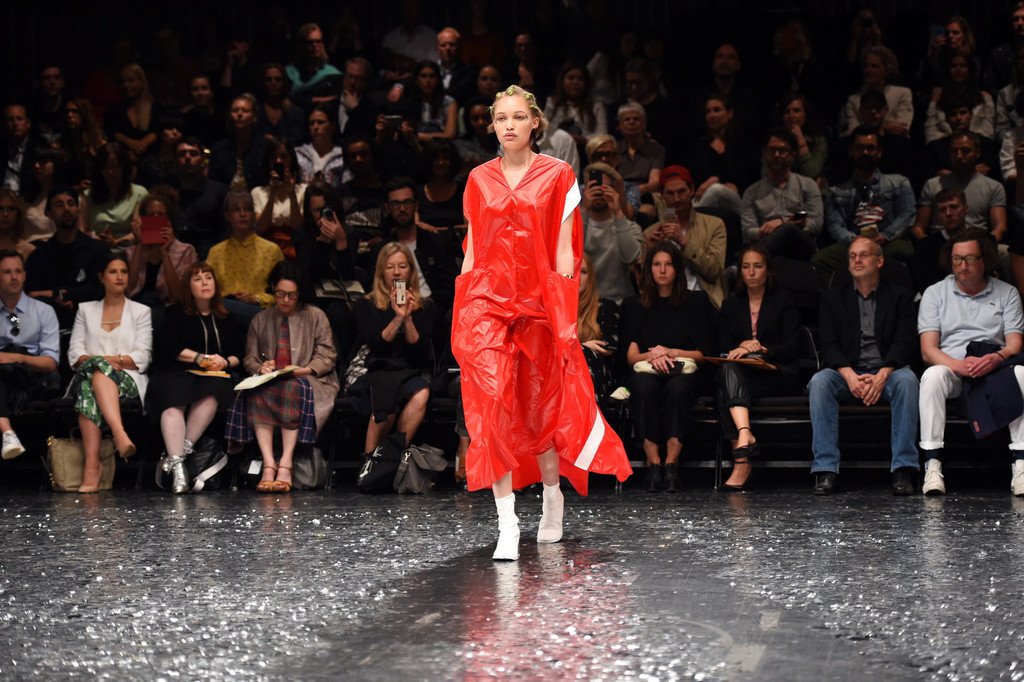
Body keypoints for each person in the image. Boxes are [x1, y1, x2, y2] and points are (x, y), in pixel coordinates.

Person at [452, 85, 630, 560]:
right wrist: (465, 306)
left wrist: (565, 311)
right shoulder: (478, 179)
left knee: (539, 408)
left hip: (538, 304)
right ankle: (506, 521)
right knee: (491, 405)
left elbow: (565, 247)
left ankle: (552, 495)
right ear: (492, 126)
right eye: (500, 118)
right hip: (487, 302)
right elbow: (473, 246)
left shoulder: (558, 174)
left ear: (535, 122)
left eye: (517, 117)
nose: (508, 125)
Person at [807, 237, 919, 495]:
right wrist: (848, 375)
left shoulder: (900, 297)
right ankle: (826, 469)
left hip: (889, 369)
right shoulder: (833, 298)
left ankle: (903, 468)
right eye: (852, 256)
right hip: (847, 370)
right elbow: (828, 344)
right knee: (819, 383)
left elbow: (905, 342)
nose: (857, 260)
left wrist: (883, 373)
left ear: (879, 261)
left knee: (908, 382)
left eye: (864, 255)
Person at [918, 229, 1024, 497]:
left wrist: (995, 358)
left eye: (970, 259)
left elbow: (1014, 345)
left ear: (984, 260)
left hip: (994, 368)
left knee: (1023, 373)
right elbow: (928, 350)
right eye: (957, 259)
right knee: (931, 376)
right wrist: (958, 365)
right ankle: (932, 465)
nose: (962, 266)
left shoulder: (1007, 293)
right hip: (953, 367)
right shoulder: (935, 293)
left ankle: (1021, 464)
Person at [226, 262, 338, 492]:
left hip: (310, 379)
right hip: (271, 380)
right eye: (280, 294)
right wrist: (261, 368)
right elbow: (249, 358)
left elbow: (327, 355)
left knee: (290, 387)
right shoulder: (261, 319)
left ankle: (285, 463)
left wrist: (304, 370)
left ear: (300, 293)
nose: (285, 300)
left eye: (291, 295)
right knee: (258, 389)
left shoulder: (315, 316)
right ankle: (269, 464)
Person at [621, 240, 718, 493]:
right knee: (643, 387)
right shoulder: (634, 305)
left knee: (677, 388)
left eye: (668, 264)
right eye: (656, 264)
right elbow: (631, 357)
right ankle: (654, 464)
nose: (662, 270)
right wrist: (653, 355)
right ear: (649, 269)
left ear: (678, 269)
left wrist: (672, 352)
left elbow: (704, 354)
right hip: (648, 369)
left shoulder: (696, 302)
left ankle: (672, 464)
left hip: (684, 370)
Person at [146, 263, 243, 493]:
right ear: (188, 287)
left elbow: (239, 353)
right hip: (176, 371)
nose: (205, 282)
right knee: (173, 402)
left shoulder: (226, 317)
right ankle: (179, 469)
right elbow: (168, 347)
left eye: (208, 277)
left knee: (214, 393)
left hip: (212, 376)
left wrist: (224, 361)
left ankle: (177, 456)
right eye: (197, 279)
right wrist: (199, 358)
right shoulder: (174, 313)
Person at [716, 246, 802, 490]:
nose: (751, 272)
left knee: (724, 390)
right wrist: (741, 346)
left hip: (774, 373)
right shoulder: (730, 306)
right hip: (742, 375)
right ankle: (745, 438)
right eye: (746, 267)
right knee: (727, 375)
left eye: (757, 266)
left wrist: (763, 349)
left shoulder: (784, 301)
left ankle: (742, 462)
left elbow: (794, 346)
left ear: (768, 271)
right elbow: (721, 347)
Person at [66, 255, 152, 493]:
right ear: (101, 277)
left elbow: (142, 357)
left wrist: (102, 361)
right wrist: (105, 362)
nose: (119, 276)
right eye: (113, 271)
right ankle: (119, 434)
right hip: (86, 376)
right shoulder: (86, 310)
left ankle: (92, 467)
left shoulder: (141, 311)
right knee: (94, 376)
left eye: (124, 271)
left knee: (96, 376)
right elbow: (75, 354)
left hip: (128, 379)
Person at [352, 242, 437, 462]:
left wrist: (407, 318)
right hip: (377, 368)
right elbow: (378, 347)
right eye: (390, 267)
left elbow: (419, 353)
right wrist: (397, 318)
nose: (397, 272)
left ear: (411, 270)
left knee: (421, 392)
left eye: (402, 266)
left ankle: (390, 457)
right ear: (381, 271)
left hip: (409, 370)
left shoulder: (426, 306)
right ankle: (370, 461)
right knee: (387, 389)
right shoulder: (365, 305)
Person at [811, 127, 915, 287]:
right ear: (851, 151)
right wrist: (854, 240)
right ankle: (848, 295)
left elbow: (907, 215)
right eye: (860, 148)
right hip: (854, 242)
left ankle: (890, 295)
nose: (865, 152)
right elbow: (835, 225)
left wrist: (885, 236)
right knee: (820, 261)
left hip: (888, 242)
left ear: (879, 152)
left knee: (904, 251)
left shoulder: (899, 182)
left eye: (870, 148)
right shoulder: (837, 191)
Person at [0, 249, 59, 460]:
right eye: (7, 272)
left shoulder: (43, 311)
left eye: (18, 271)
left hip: (30, 379)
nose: (14, 277)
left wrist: (17, 358)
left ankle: (7, 432)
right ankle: (7, 432)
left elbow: (51, 362)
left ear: (25, 275)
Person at [642, 165, 728, 309]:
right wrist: (650, 254)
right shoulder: (650, 233)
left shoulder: (714, 225)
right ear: (662, 196)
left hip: (704, 302)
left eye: (681, 191)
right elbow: (642, 283)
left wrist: (684, 242)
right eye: (670, 193)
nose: (676, 198)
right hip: (662, 304)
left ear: (692, 190)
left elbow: (714, 271)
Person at [25, 188, 110, 333]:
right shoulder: (38, 256)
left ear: (78, 209)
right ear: (49, 213)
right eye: (59, 205)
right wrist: (58, 299)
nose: (67, 209)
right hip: (50, 326)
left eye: (71, 204)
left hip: (93, 323)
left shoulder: (97, 250)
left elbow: (98, 289)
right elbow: (32, 295)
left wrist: (57, 294)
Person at [371, 176, 457, 310]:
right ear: (387, 208)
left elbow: (451, 287)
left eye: (407, 202)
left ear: (416, 205)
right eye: (396, 204)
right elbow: (376, 290)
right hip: (393, 311)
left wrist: (424, 306)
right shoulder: (381, 250)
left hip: (433, 310)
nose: (402, 209)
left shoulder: (437, 243)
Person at [740, 128, 824, 259]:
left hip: (801, 248)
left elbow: (816, 223)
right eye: (772, 150)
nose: (777, 155)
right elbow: (748, 231)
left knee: (788, 230)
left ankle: (744, 263)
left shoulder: (808, 185)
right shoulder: (752, 192)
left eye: (782, 151)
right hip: (769, 248)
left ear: (793, 154)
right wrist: (770, 231)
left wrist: (783, 224)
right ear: (764, 153)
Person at [205, 189, 285, 327]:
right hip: (223, 318)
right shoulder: (216, 253)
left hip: (259, 314)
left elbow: (284, 294)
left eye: (247, 209)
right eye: (236, 210)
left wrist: (256, 298)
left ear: (253, 214)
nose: (243, 214)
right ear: (227, 215)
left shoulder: (271, 250)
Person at [911, 131, 1007, 244]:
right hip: (939, 244)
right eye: (954, 151)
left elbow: (1000, 227)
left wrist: (984, 245)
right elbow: (918, 227)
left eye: (965, 150)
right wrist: (928, 245)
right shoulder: (932, 184)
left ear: (977, 152)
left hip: (977, 243)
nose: (959, 156)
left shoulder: (993, 187)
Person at [682, 93, 758, 217]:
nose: (711, 115)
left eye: (717, 110)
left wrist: (715, 180)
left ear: (730, 113)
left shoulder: (741, 145)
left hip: (736, 200)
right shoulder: (698, 146)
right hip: (705, 197)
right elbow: (694, 178)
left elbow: (746, 174)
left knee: (717, 189)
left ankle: (686, 220)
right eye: (708, 112)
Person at [125, 192, 197, 320]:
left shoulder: (186, 251)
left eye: (161, 215)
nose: (156, 219)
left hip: (168, 309)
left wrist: (165, 252)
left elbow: (178, 296)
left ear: (169, 220)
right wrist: (139, 244)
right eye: (151, 215)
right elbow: (129, 289)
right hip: (136, 306)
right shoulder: (132, 251)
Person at [580, 162, 642, 304]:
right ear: (584, 190)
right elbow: (573, 255)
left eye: (604, 187)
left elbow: (630, 258)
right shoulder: (574, 226)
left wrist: (618, 212)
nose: (598, 192)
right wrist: (584, 209)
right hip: (584, 303)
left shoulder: (629, 227)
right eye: (593, 186)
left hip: (620, 303)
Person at [79, 142, 148, 246]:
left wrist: (116, 241)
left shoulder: (139, 193)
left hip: (129, 249)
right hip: (96, 248)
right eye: (105, 167)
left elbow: (140, 232)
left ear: (124, 167)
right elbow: (81, 232)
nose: (110, 172)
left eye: (115, 166)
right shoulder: (87, 195)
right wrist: (94, 238)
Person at [839, 46, 913, 137]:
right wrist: (886, 126)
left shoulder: (902, 94)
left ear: (887, 70)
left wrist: (868, 125)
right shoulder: (853, 100)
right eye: (865, 66)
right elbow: (854, 132)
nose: (868, 70)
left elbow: (902, 130)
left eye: (874, 66)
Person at [251, 137, 307, 260]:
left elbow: (298, 227)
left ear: (292, 159)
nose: (278, 161)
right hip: (266, 253)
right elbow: (261, 228)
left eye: (284, 156)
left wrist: (292, 194)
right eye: (274, 157)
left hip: (295, 250)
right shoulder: (258, 192)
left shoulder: (304, 190)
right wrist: (272, 193)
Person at [173, 136, 228, 258]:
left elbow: (226, 233)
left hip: (211, 259)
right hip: (174, 260)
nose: (187, 157)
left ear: (202, 160)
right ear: (175, 161)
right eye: (182, 154)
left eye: (193, 154)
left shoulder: (219, 192)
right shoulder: (166, 194)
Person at [924, 53, 995, 143]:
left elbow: (988, 132)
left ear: (970, 69)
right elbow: (930, 133)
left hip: (977, 143)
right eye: (953, 66)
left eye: (963, 66)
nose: (958, 70)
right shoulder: (938, 96)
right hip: (944, 145)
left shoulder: (983, 97)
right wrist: (933, 102)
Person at [209, 94, 267, 191]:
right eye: (235, 110)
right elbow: (212, 184)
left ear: (254, 116)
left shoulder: (265, 147)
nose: (239, 114)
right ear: (229, 115)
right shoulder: (219, 148)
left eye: (245, 111)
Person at [543, 62, 607, 146]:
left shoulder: (596, 107)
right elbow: (542, 131)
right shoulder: (551, 103)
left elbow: (602, 136)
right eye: (570, 78)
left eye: (580, 79)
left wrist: (584, 140)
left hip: (586, 149)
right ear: (562, 81)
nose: (575, 82)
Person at [103, 64, 158, 159]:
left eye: (131, 81)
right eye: (123, 82)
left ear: (141, 82)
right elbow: (112, 132)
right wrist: (131, 144)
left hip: (150, 160)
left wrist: (142, 145)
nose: (126, 85)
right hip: (123, 160)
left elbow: (158, 131)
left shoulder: (154, 107)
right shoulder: (114, 110)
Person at [285, 23, 343, 111]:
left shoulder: (333, 75)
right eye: (310, 42)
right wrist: (313, 100)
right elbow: (284, 99)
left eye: (318, 41)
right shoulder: (289, 72)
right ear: (302, 45)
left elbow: (334, 102)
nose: (315, 45)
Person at [415, 139, 466, 233]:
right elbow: (414, 225)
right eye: (436, 158)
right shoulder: (417, 193)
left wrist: (439, 231)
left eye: (445, 158)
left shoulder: (464, 190)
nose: (440, 162)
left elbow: (470, 226)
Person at [615, 102, 664, 195]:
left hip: (646, 194)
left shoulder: (656, 149)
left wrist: (632, 193)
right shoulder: (614, 149)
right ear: (620, 125)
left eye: (636, 119)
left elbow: (654, 182)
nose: (631, 122)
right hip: (618, 193)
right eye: (627, 119)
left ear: (644, 124)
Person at [778, 92, 827, 183]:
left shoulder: (818, 140)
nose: (791, 115)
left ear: (805, 113)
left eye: (796, 111)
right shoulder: (775, 140)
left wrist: (800, 139)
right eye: (787, 112)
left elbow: (811, 173)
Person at [58, 98, 105, 190]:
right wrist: (75, 188)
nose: (69, 115)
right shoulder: (62, 144)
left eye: (75, 111)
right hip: (70, 192)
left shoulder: (99, 144)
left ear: (84, 114)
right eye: (67, 112)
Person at [256, 63, 306, 146]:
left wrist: (273, 140)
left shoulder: (295, 113)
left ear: (284, 82)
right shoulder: (256, 111)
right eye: (268, 80)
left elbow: (296, 141)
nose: (273, 83)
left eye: (278, 79)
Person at [406, 60, 457, 142]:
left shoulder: (449, 102)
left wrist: (417, 136)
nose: (428, 80)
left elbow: (450, 135)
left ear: (438, 80)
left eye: (432, 76)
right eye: (423, 76)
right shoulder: (410, 101)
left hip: (440, 145)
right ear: (416, 80)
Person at [296, 105, 346, 186]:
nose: (315, 127)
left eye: (320, 122)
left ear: (333, 126)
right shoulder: (298, 154)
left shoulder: (343, 156)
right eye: (311, 123)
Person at [2, 104, 40, 194]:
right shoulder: (3, 148)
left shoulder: (38, 149)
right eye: (10, 120)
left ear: (28, 123)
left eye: (19, 119)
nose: (15, 123)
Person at [181, 73, 225, 148]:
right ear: (190, 93)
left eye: (204, 88)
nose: (200, 93)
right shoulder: (184, 118)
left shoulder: (222, 116)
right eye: (195, 89)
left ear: (211, 92)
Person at [436, 27, 478, 105]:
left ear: (459, 47)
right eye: (443, 45)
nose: (448, 48)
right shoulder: (431, 70)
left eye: (452, 44)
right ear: (437, 48)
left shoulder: (468, 71)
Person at [0, 189, 35, 261]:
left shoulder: (29, 251)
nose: (5, 214)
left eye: (11, 209)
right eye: (0, 209)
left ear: (18, 214)